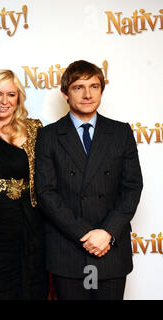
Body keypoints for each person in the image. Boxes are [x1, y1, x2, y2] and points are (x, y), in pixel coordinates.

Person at [35, 60, 143, 300]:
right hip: (69, 249)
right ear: (65, 92)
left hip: (110, 249)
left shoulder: (121, 132)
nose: (87, 94)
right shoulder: (49, 135)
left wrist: (106, 233)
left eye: (94, 86)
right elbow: (46, 192)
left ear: (102, 91)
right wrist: (86, 234)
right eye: (78, 87)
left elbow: (132, 188)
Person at [0, 69, 49, 299]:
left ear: (19, 98)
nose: (5, 101)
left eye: (11, 94)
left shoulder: (35, 129)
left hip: (28, 224)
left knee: (31, 286)